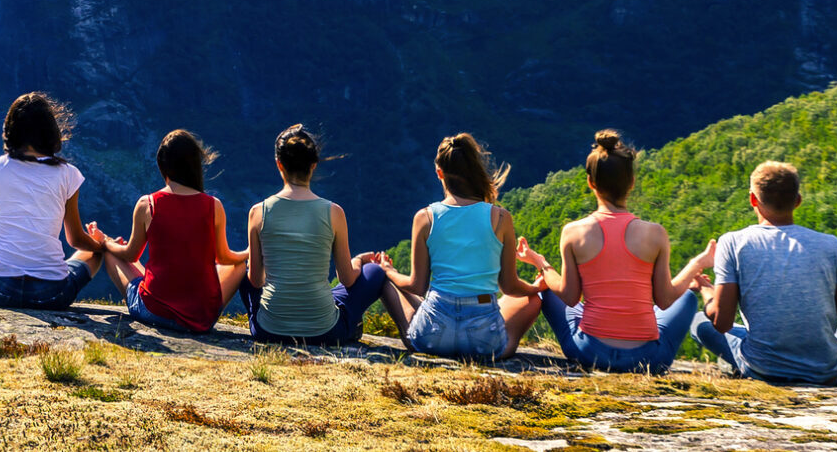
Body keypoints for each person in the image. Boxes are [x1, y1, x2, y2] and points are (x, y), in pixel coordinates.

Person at [515, 130, 712, 373]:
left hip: (590, 351)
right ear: (631, 182)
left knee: (547, 290)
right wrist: (696, 264)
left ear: (590, 182)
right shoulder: (655, 233)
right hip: (648, 358)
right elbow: (665, 299)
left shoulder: (573, 232)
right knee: (687, 298)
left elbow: (569, 295)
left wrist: (541, 264)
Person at [691, 161, 837, 384]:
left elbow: (722, 323)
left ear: (752, 199)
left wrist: (707, 292)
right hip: (824, 372)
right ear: (798, 201)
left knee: (699, 321)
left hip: (761, 370)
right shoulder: (833, 246)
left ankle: (739, 365)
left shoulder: (733, 243)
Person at [374, 133, 544, 360]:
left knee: (386, 281)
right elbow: (510, 287)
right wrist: (535, 288)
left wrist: (389, 272)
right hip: (483, 337)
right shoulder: (501, 218)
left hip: (433, 334)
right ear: (474, 170)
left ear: (439, 173)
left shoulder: (425, 217)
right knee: (533, 301)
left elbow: (416, 285)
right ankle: (502, 347)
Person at [0, 92, 106, 310]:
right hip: (53, 295)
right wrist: (102, 244)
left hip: (1, 291)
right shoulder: (68, 173)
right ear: (51, 132)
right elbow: (75, 239)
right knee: (92, 253)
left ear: (10, 130)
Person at [237, 125, 396, 345]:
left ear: (278, 164)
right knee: (375, 271)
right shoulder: (334, 212)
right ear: (313, 166)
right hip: (326, 330)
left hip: (268, 330)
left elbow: (255, 281)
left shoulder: (258, 212)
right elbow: (347, 279)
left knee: (242, 273)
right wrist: (359, 260)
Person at [101, 130, 248, 333]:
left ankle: (115, 255)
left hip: (155, 312)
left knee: (112, 254)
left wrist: (106, 243)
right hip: (200, 317)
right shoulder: (214, 206)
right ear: (195, 165)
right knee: (239, 266)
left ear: (162, 165)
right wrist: (249, 252)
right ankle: (199, 308)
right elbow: (224, 258)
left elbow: (130, 255)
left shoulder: (148, 204)